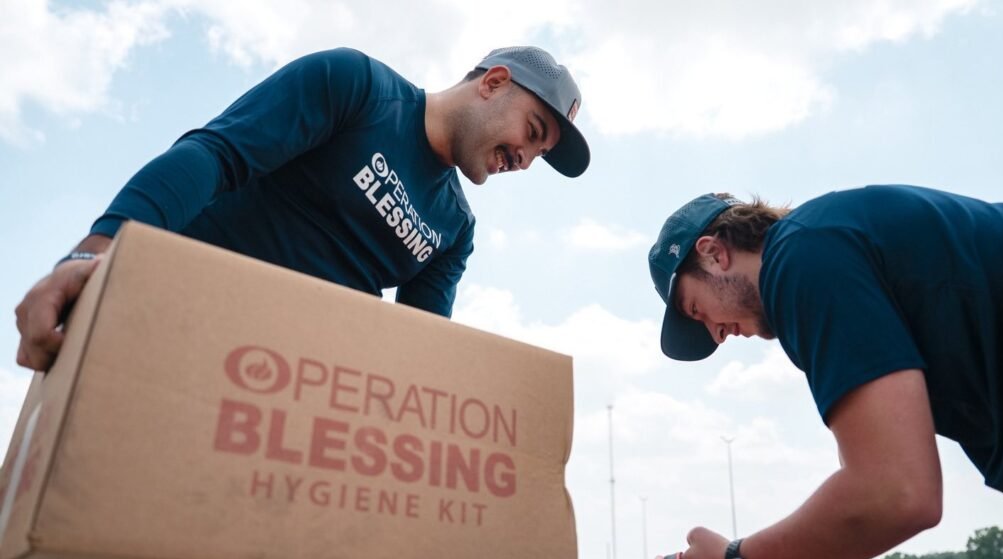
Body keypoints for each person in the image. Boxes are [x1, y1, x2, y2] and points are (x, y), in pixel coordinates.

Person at [15, 45, 589, 371]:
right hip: (168, 336)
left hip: (282, 396)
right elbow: (215, 156)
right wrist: (92, 255)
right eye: (532, 131)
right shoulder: (357, 88)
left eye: (539, 155)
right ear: (492, 83)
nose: (524, 159)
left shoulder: (455, 229)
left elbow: (414, 351)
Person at [646, 185, 1003, 559]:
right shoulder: (823, 248)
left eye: (697, 309)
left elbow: (894, 492)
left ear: (714, 253)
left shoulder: (803, 256)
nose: (717, 336)